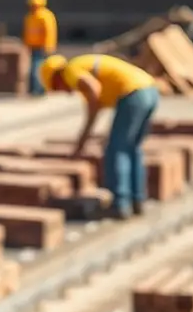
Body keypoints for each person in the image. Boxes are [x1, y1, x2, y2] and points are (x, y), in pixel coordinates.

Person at [39, 53, 159, 219]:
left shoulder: (70, 71)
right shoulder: (81, 67)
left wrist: (83, 141)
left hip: (133, 93)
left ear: (56, 77)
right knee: (132, 148)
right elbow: (93, 110)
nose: (64, 92)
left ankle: (119, 204)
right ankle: (137, 200)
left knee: (116, 150)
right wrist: (82, 142)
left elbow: (94, 91)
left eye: (56, 87)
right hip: (150, 90)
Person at [22, 0, 57, 96]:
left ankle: (39, 90)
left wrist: (48, 46)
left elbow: (49, 32)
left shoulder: (46, 16)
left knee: (38, 68)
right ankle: (36, 89)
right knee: (34, 68)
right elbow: (27, 31)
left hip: (42, 47)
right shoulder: (30, 17)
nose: (33, 7)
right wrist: (26, 44)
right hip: (33, 46)